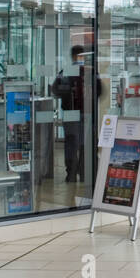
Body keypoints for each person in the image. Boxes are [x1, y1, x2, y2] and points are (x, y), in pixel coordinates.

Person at [51, 45, 88, 183]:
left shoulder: (65, 71)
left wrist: (67, 96)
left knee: (71, 143)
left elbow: (55, 89)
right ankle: (85, 173)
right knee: (85, 144)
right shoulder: (90, 71)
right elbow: (100, 90)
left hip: (70, 113)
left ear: (72, 56)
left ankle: (71, 174)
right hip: (86, 113)